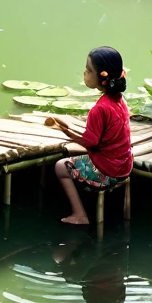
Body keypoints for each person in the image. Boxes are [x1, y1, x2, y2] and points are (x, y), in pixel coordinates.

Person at [53, 46, 133, 226]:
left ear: (102, 78)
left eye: (89, 70)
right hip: (124, 165)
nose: (85, 72)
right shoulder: (120, 100)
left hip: (107, 170)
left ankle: (79, 214)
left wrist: (66, 132)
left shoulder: (100, 109)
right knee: (73, 151)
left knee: (60, 166)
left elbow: (91, 142)